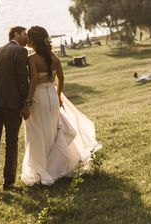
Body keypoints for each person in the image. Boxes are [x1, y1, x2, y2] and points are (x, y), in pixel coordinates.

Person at [21, 25, 101, 186]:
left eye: (29, 38)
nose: (27, 40)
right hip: (52, 95)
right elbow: (61, 78)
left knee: (38, 134)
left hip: (39, 98)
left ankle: (43, 169)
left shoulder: (32, 59)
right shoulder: (54, 57)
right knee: (51, 132)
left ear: (34, 41)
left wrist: (27, 102)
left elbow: (34, 82)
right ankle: (54, 166)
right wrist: (58, 96)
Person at [0, 26, 30, 194]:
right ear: (16, 34)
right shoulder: (20, 51)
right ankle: (8, 182)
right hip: (11, 104)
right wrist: (26, 102)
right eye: (25, 34)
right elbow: (22, 79)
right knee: (11, 142)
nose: (27, 37)